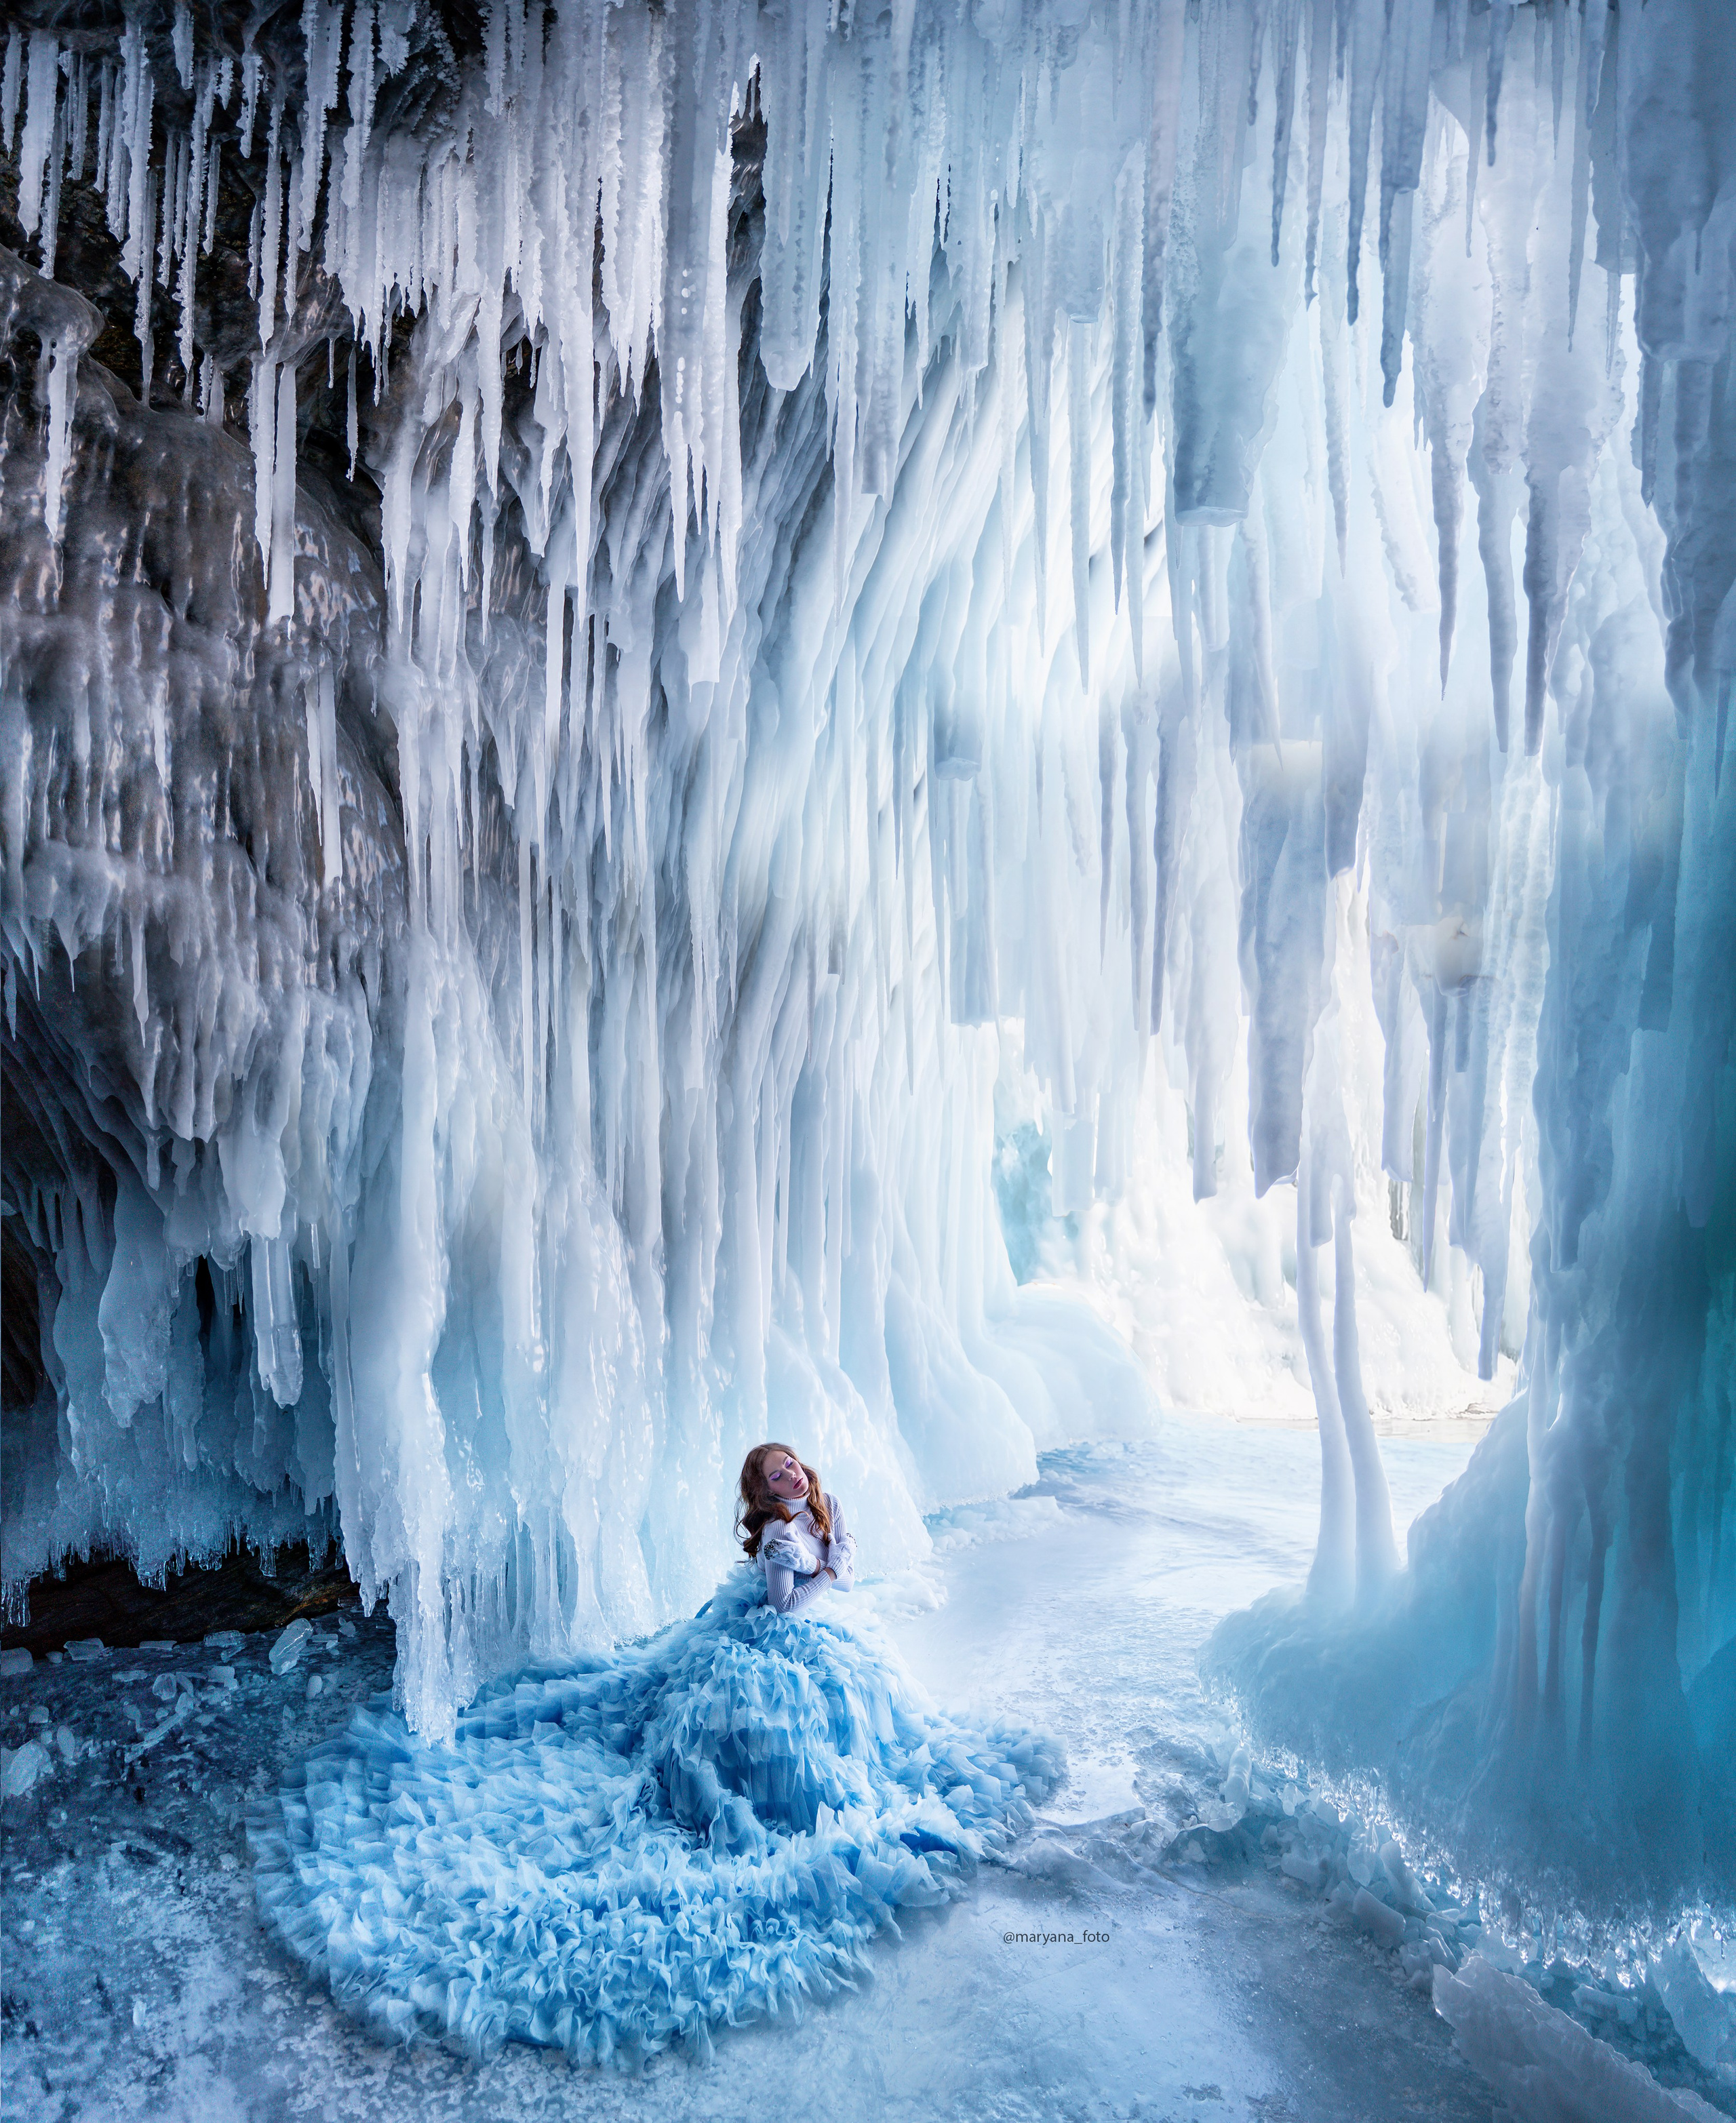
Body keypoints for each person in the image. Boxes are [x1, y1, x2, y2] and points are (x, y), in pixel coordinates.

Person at [250, 1442, 1062, 2067]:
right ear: (763, 1496)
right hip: (774, 1648)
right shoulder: (780, 1537)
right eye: (775, 1475)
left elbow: (841, 1560)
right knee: (741, 1756)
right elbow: (784, 1608)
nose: (789, 1476)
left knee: (885, 1735)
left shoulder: (820, 1507)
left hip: (828, 1648)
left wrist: (840, 1546)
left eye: (790, 1464)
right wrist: (830, 1572)